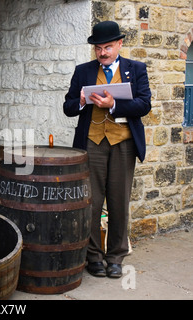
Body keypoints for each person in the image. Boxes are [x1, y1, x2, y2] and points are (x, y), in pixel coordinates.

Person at [63, 21, 151, 278]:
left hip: (123, 143)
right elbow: (67, 107)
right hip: (92, 144)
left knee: (118, 201)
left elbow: (144, 105)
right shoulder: (83, 71)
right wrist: (79, 101)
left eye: (108, 47)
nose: (102, 53)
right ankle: (93, 257)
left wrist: (115, 105)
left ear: (119, 45)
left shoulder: (136, 70)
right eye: (98, 48)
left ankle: (115, 257)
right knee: (91, 202)